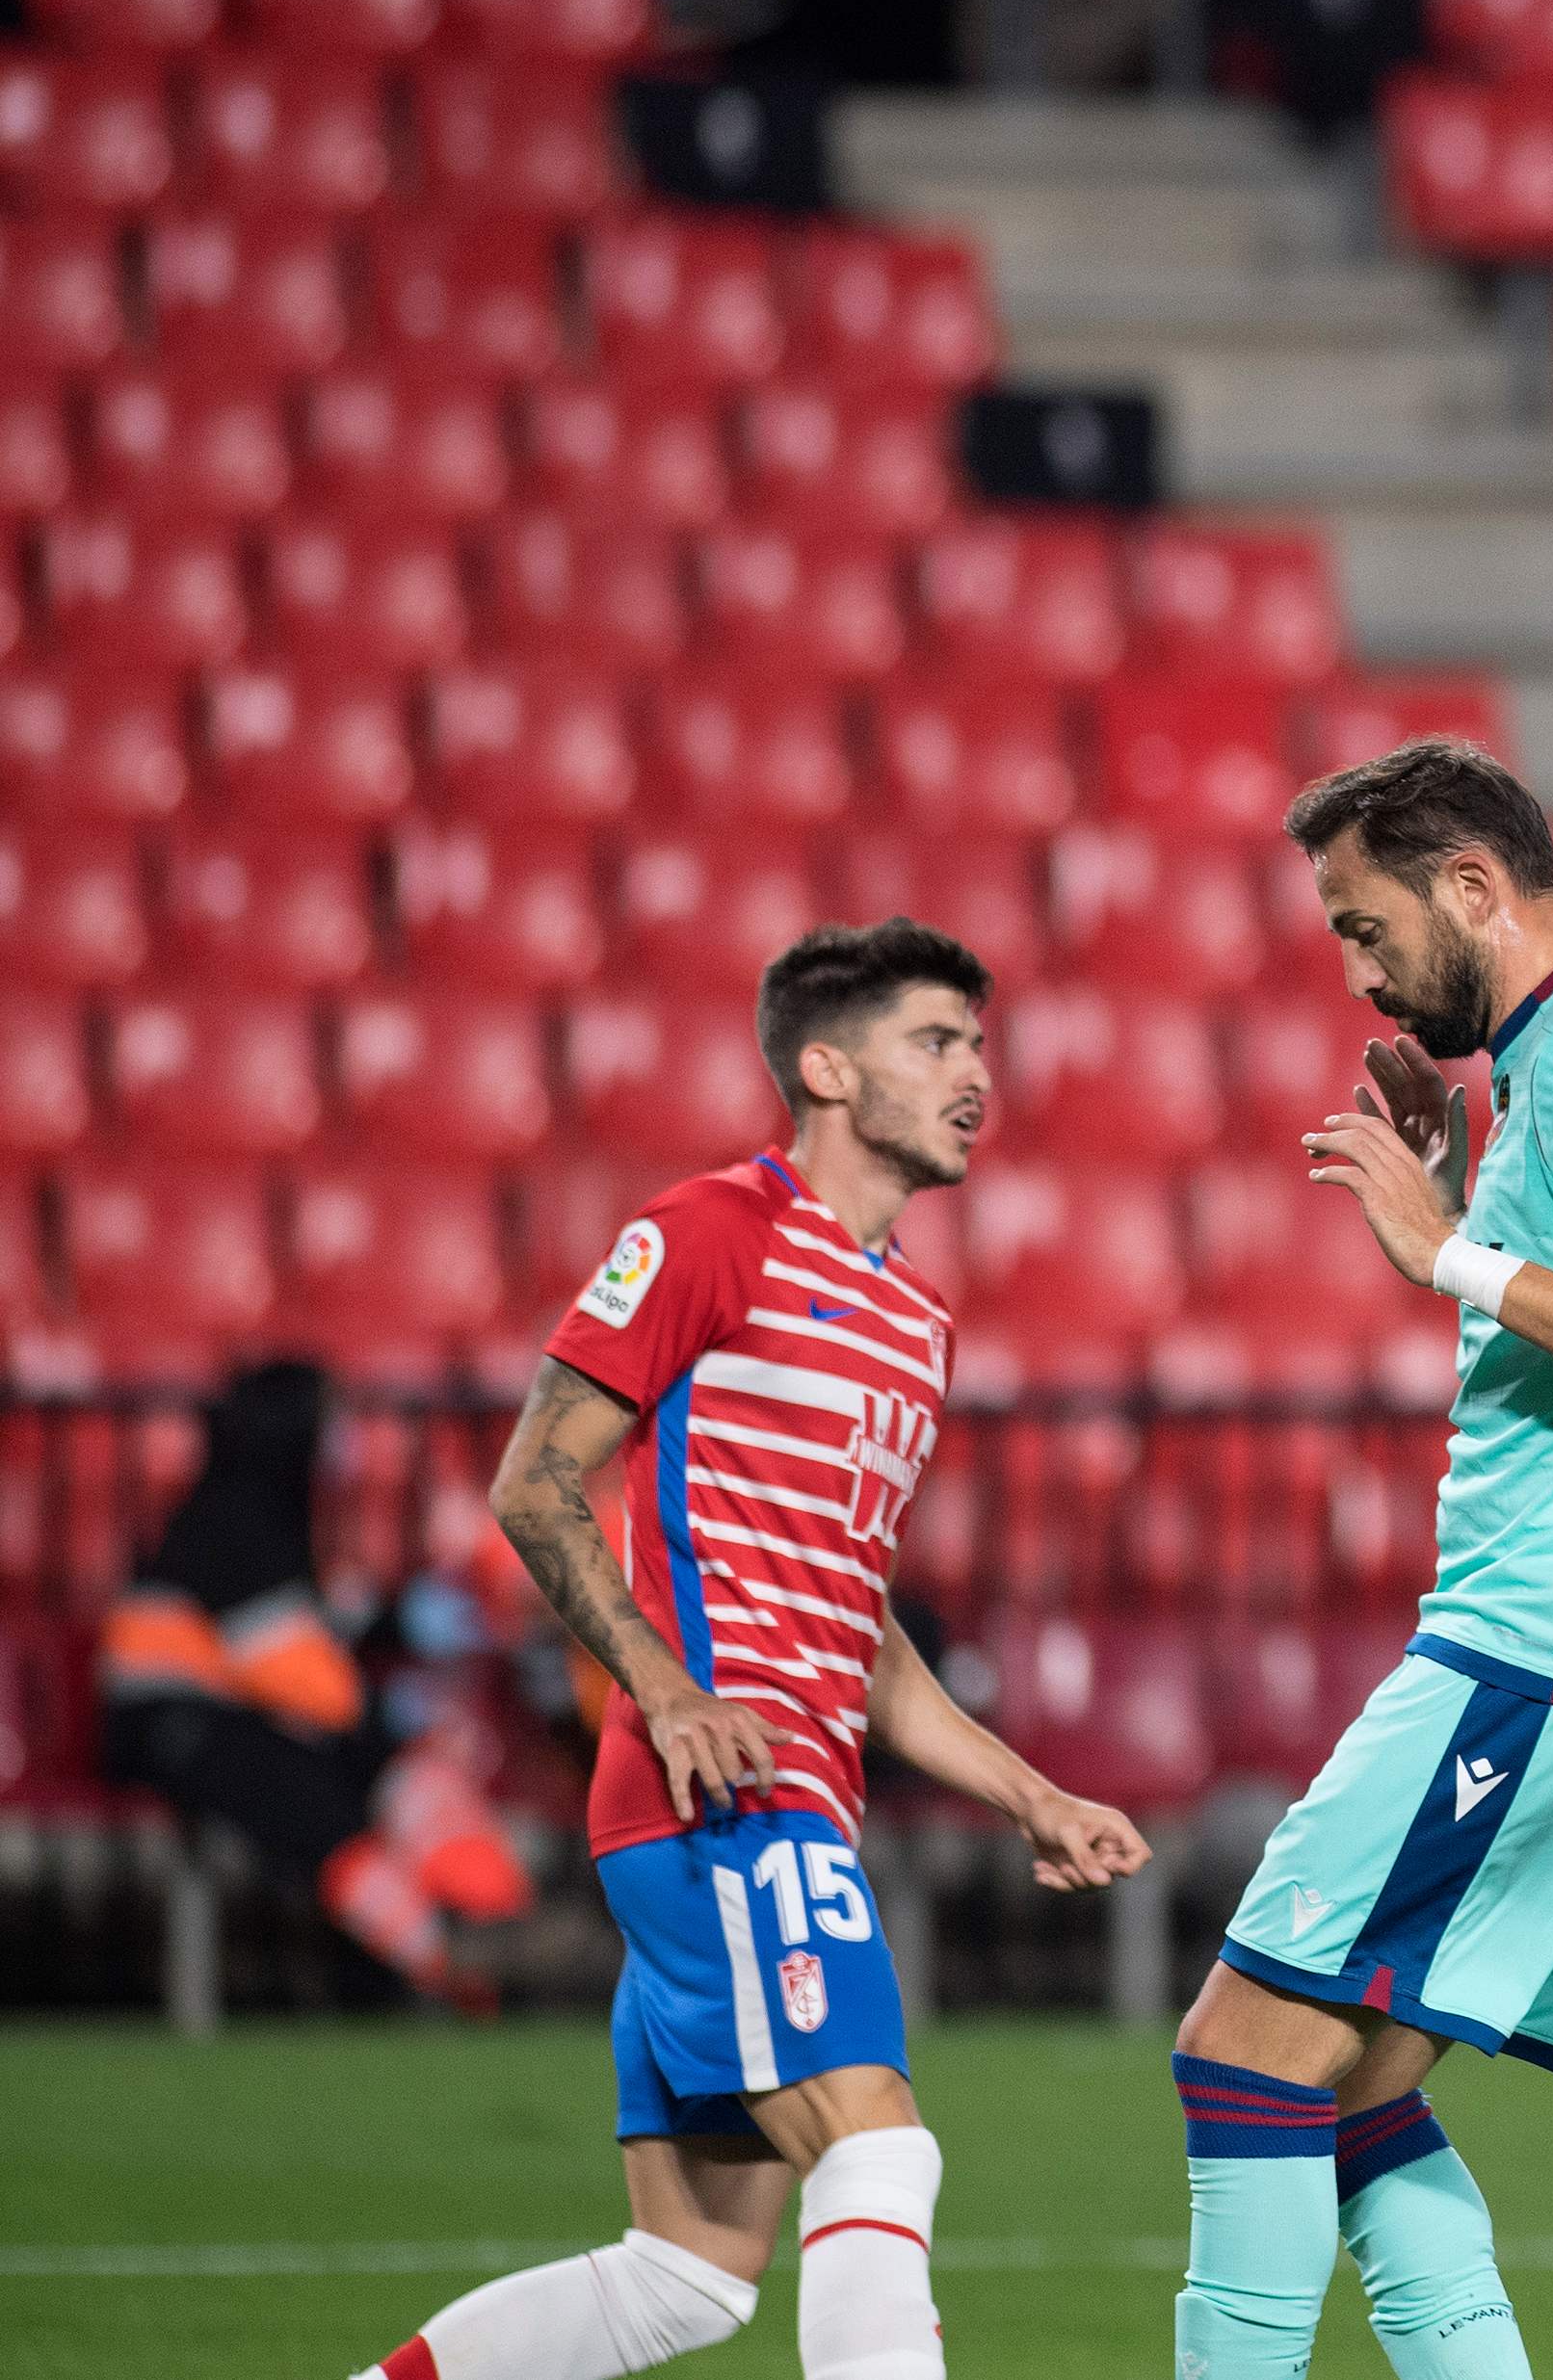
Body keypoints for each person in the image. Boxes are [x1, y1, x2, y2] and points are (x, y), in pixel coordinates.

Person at [344, 918, 1155, 2380]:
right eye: (935, 1042)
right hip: (726, 1797)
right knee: (879, 2149)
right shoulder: (712, 1230)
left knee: (682, 2280)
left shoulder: (915, 1317)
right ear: (826, 1068)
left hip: (791, 1800)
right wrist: (666, 1692)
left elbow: (861, 1621)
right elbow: (534, 1478)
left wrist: (1028, 1793)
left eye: (977, 1044)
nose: (975, 1073)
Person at [1170, 737, 1553, 2380]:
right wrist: (1475, 1217)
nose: (1360, 976)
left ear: (1471, 885)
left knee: (1244, 2055)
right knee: (1353, 2097)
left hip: (1541, 1652)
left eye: (1368, 930)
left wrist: (1449, 1251)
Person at [101, 1360, 530, 2013]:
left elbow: (310, 1626)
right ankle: (445, 1962)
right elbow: (296, 1670)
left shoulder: (262, 1507)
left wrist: (404, 1628)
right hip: (170, 1724)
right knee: (328, 1810)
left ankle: (482, 1915)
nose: (345, 1435)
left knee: (376, 1772)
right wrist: (384, 1724)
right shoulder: (234, 1517)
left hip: (225, 1711)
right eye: (332, 1417)